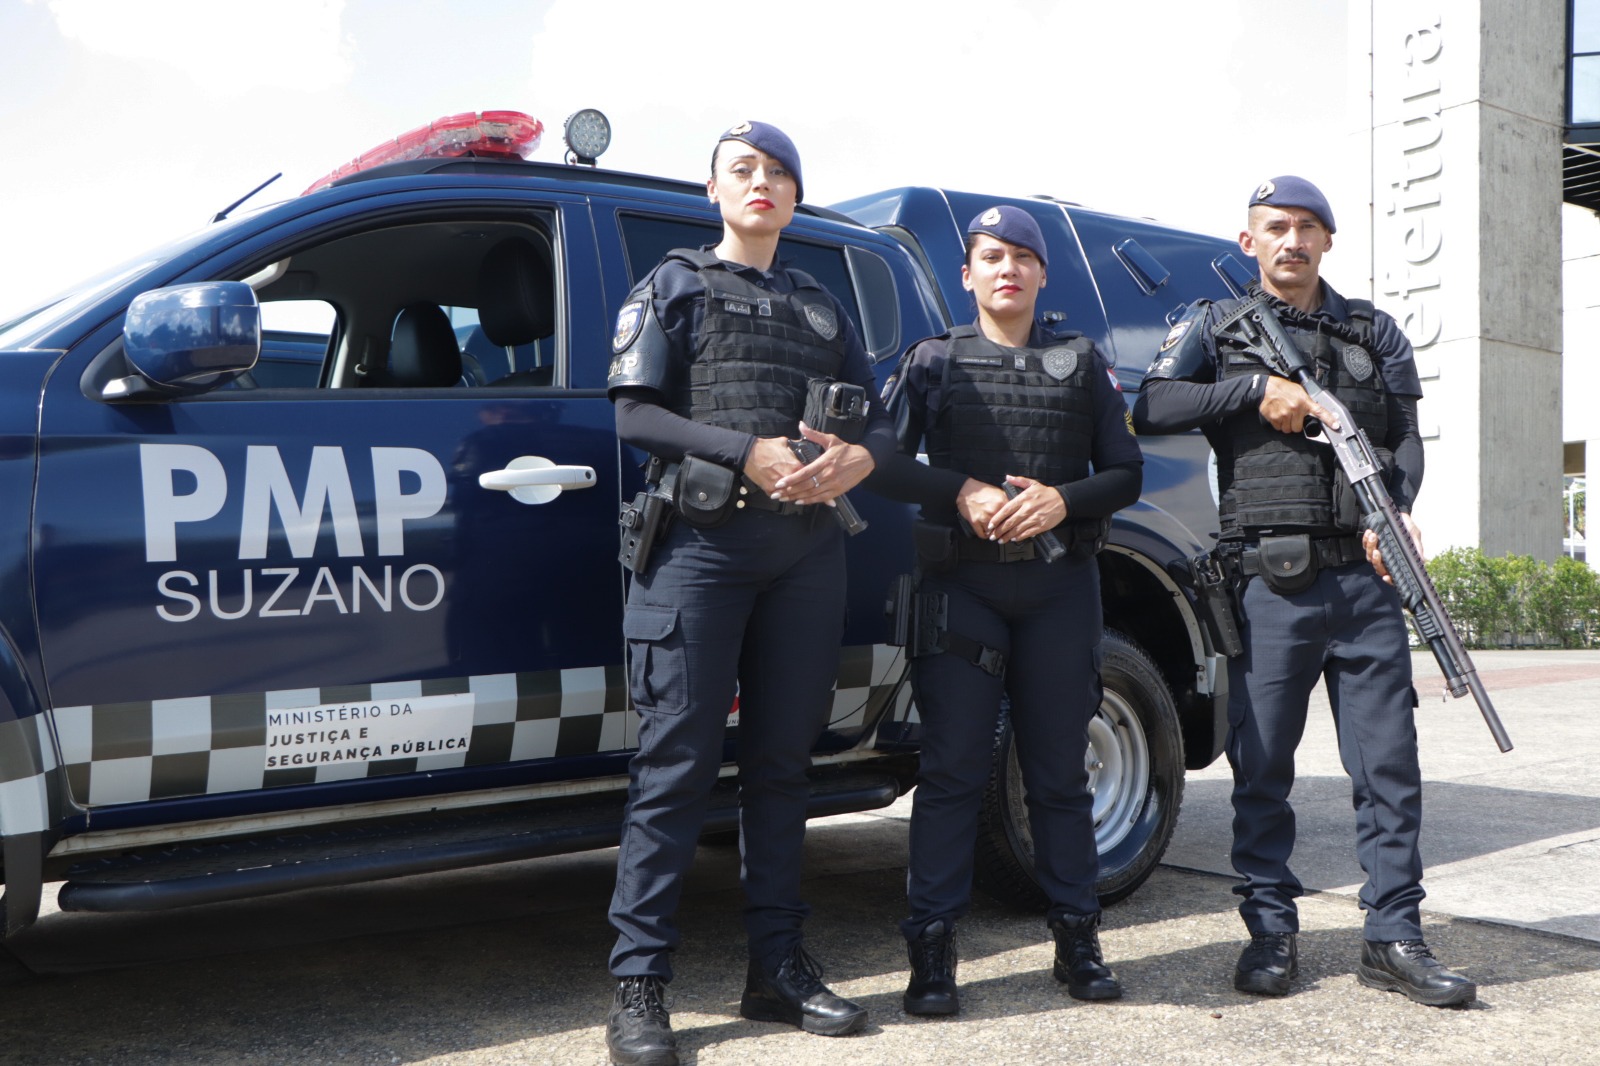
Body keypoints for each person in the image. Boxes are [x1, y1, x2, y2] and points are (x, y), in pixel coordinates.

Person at [1131, 176, 1476, 1007]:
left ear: (1328, 240)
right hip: (1268, 584)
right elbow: (1153, 405)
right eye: (1276, 227)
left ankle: (1394, 935)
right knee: (1262, 769)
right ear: (1247, 242)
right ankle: (1270, 931)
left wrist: (1392, 510)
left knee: (1389, 766)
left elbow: (1406, 438)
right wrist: (1255, 389)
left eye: (1307, 227)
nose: (1292, 240)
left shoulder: (1373, 331)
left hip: (1365, 581)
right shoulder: (1216, 326)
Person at [602, 121, 894, 1066]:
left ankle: (777, 969)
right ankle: (640, 985)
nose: (761, 182)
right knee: (676, 767)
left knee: (781, 766)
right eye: (743, 170)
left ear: (795, 197)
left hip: (805, 553)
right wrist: (745, 451)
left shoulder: (820, 306)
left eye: (777, 172)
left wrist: (857, 460)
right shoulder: (674, 286)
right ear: (715, 192)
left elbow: (877, 423)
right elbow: (634, 415)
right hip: (700, 547)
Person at [869, 205, 1143, 1015]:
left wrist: (1063, 500)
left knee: (1057, 774)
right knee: (951, 773)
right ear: (967, 274)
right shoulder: (932, 360)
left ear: (1042, 273)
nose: (1008, 268)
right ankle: (932, 953)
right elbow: (881, 461)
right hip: (964, 589)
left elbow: (1125, 472)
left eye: (1023, 256)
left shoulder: (1081, 362)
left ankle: (1078, 941)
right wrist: (961, 489)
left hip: (1059, 589)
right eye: (991, 256)